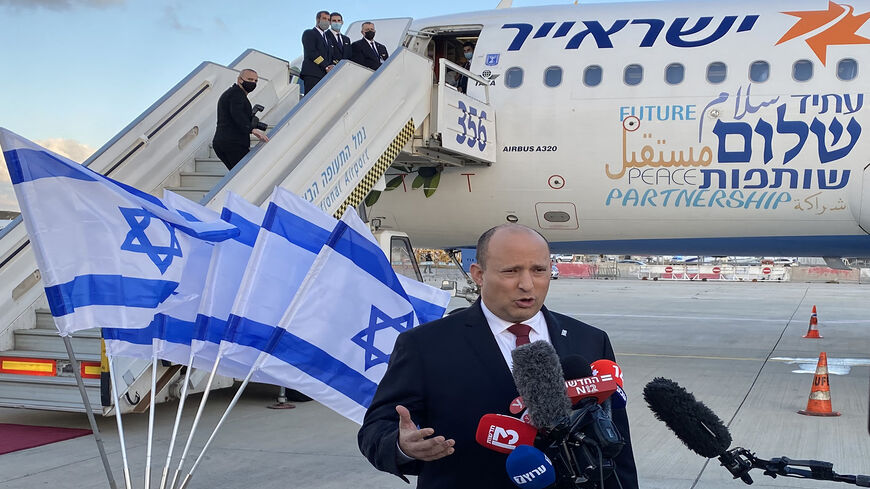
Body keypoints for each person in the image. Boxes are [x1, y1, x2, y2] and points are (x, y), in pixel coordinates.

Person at [358, 224, 638, 489]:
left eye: (539, 270)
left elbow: (616, 441)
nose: (527, 284)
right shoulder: (425, 344)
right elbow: (376, 428)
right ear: (478, 274)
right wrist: (401, 446)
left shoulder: (589, 340)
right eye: (511, 271)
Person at [212, 68, 269, 170]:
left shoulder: (232, 93)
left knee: (236, 176)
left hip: (223, 142)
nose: (253, 83)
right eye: (250, 79)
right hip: (233, 143)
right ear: (240, 80)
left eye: (255, 81)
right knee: (245, 174)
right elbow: (237, 113)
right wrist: (251, 129)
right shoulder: (236, 94)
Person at [300, 10, 334, 94]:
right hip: (313, 74)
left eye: (328, 19)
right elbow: (311, 53)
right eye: (324, 18)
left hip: (325, 76)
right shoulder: (309, 33)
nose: (326, 21)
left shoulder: (328, 40)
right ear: (317, 19)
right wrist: (326, 66)